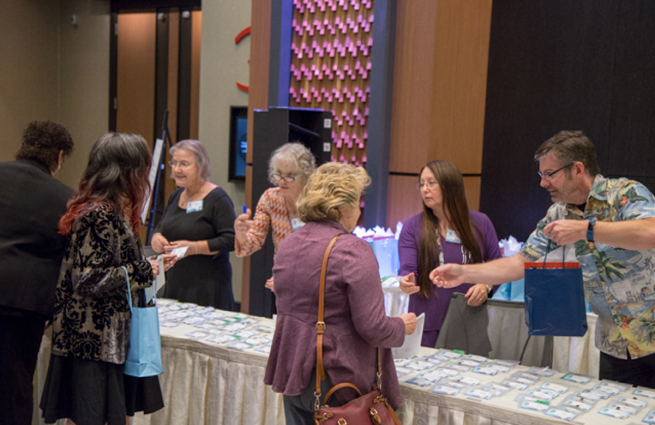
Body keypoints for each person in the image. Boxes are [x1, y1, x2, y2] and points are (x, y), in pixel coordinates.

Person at [431, 130, 655, 388]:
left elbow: (650, 231)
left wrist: (585, 229)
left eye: (550, 174)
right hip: (616, 347)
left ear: (578, 169)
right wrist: (463, 273)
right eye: (542, 175)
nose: (543, 183)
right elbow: (519, 264)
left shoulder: (625, 193)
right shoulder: (558, 212)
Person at [264, 162, 417, 424]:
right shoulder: (351, 250)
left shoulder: (290, 243)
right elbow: (374, 327)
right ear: (340, 207)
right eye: (357, 202)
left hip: (294, 373)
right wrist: (401, 326)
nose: (359, 211)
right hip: (337, 379)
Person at [40, 133, 176, 424]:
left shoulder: (107, 210)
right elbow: (88, 279)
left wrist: (149, 265)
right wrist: (142, 271)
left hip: (102, 339)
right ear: (127, 171)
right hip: (93, 341)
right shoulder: (100, 213)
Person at [0, 121, 74, 425]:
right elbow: (69, 257)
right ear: (58, 156)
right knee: (14, 390)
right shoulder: (66, 198)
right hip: (24, 306)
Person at [398, 160, 501, 347]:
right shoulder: (412, 226)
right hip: (428, 323)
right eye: (421, 184)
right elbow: (407, 268)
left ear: (450, 185)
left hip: (469, 319)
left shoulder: (480, 222)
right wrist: (406, 281)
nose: (424, 189)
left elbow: (498, 267)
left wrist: (486, 286)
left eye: (431, 183)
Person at [151, 139, 237, 310]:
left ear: (201, 166)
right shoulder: (176, 195)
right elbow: (163, 226)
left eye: (184, 164)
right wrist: (156, 237)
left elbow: (231, 240)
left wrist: (194, 247)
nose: (177, 169)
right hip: (176, 282)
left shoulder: (217, 199)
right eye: (174, 163)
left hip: (207, 286)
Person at [234, 142, 316, 291]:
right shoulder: (270, 198)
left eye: (290, 176)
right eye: (278, 173)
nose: (282, 180)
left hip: (314, 280)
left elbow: (322, 252)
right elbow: (252, 244)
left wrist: (292, 278)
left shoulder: (317, 201)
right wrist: (241, 233)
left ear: (305, 175)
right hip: (281, 280)